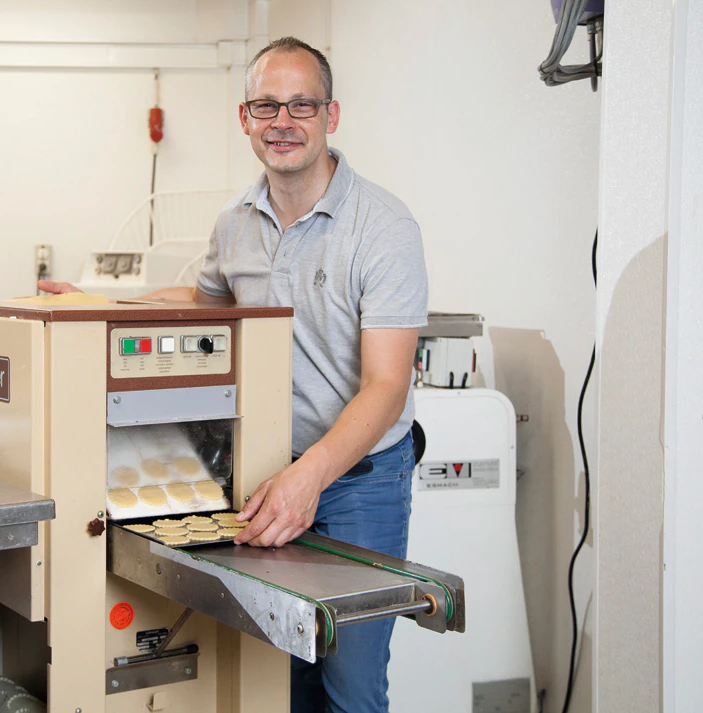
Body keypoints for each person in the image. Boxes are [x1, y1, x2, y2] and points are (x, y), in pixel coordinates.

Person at [41, 37, 427, 713]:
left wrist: (310, 478)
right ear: (245, 118)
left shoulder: (383, 226)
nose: (284, 121)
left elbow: (387, 386)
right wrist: (100, 306)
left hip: (359, 480)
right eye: (266, 106)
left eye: (302, 104)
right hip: (265, 470)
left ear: (331, 115)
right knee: (277, 679)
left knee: (352, 683)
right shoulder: (235, 221)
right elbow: (208, 308)